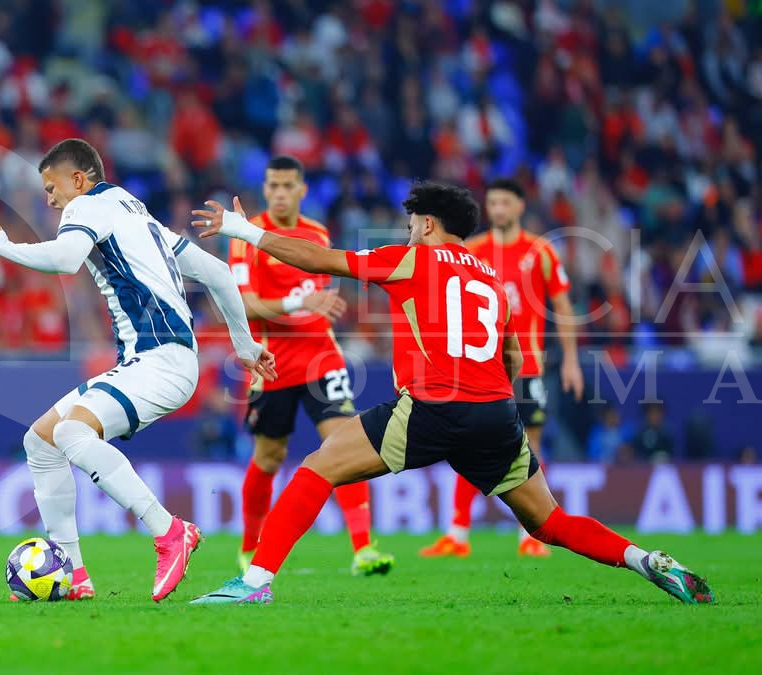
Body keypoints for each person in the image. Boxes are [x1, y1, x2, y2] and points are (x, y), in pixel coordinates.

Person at [187, 182, 713, 605]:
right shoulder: (491, 282)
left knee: (317, 467)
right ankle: (648, 561)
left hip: (433, 407)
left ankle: (254, 583)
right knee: (549, 521)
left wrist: (241, 229)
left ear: (429, 224)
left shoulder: (414, 260)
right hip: (496, 415)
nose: (408, 233)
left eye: (412, 224)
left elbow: (322, 260)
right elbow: (510, 356)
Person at [0, 139, 276, 602]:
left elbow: (64, 260)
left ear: (78, 179)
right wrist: (245, 344)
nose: (49, 199)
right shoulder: (135, 212)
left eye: (52, 187)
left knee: (74, 434)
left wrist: (1, 244)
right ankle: (72, 572)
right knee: (41, 441)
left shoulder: (87, 208)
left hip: (159, 360)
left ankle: (170, 531)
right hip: (158, 360)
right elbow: (216, 271)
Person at [228, 155, 394, 576]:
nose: (280, 193)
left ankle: (363, 549)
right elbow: (245, 306)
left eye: (288, 186)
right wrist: (299, 302)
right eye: (273, 186)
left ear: (302, 190)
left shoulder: (317, 233)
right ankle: (250, 546)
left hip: (322, 357)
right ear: (265, 189)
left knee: (344, 445)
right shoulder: (246, 235)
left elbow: (319, 302)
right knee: (268, 457)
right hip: (273, 363)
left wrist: (306, 306)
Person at [421, 178, 585, 558]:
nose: (497, 209)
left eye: (504, 202)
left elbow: (562, 308)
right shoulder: (472, 250)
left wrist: (572, 361)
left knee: (532, 445)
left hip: (529, 367)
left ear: (520, 207)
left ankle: (530, 536)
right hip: (484, 368)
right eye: (492, 202)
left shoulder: (540, 251)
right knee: (467, 445)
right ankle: (457, 535)